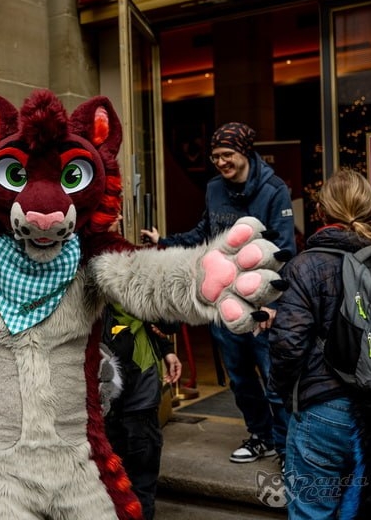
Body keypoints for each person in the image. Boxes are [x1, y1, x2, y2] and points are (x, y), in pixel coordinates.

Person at [141, 121, 296, 465]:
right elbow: (204, 233)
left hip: (261, 305)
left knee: (274, 380)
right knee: (240, 378)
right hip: (224, 303)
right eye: (215, 157)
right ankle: (261, 437)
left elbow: (285, 251)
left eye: (227, 154)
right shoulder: (214, 189)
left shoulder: (273, 191)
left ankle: (288, 449)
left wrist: (273, 303)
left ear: (244, 152)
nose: (221, 162)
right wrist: (164, 242)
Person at [268, 169, 371, 519]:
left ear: (321, 211)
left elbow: (288, 346)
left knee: (312, 511)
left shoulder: (305, 265)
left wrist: (287, 396)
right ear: (369, 208)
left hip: (323, 408)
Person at [103, 305, 182, 520]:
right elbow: (166, 317)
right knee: (136, 483)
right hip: (128, 394)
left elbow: (157, 318)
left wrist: (166, 347)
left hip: (131, 392)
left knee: (127, 484)